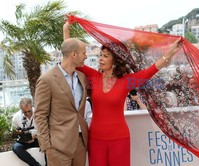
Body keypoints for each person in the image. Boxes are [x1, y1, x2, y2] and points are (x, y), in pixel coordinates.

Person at [64, 19, 182, 166]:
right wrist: (66, 30)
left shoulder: (126, 81)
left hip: (119, 138)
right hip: (95, 139)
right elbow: (71, 56)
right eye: (101, 55)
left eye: (105, 56)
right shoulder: (93, 77)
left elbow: (150, 71)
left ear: (115, 61)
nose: (100, 59)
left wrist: (169, 53)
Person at [34, 38, 88, 166]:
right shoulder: (47, 79)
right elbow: (40, 115)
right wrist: (47, 146)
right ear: (74, 55)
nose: (86, 56)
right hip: (58, 147)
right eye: (84, 53)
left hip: (81, 143)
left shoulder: (82, 77)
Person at [12, 98, 42, 166]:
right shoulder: (16, 117)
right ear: (21, 109)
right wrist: (19, 134)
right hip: (25, 140)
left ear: (32, 106)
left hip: (38, 138)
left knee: (48, 143)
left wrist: (35, 136)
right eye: (25, 112)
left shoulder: (39, 113)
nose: (27, 114)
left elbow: (46, 129)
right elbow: (14, 135)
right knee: (16, 147)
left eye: (29, 111)